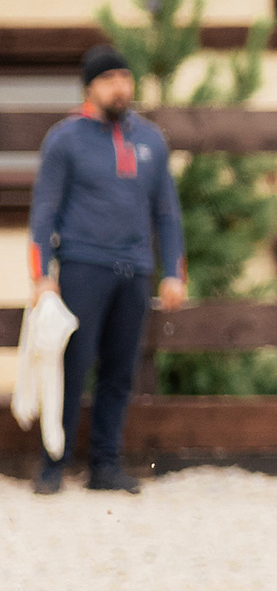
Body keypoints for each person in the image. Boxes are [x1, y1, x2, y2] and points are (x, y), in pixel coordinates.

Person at [25, 44, 186, 494]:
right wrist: (42, 276)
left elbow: (168, 214)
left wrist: (173, 272)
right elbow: (43, 214)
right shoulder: (65, 139)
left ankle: (105, 465)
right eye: (110, 78)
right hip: (82, 268)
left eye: (125, 77)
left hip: (135, 270)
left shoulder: (151, 140)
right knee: (72, 368)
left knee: (119, 370)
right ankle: (52, 465)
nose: (121, 86)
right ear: (90, 86)